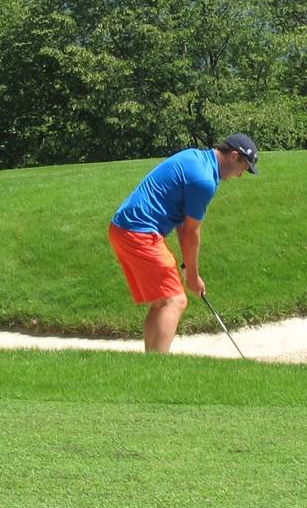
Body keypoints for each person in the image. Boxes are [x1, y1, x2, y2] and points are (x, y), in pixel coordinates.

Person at [108, 134, 259, 352]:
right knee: (175, 300)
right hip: (139, 232)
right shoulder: (205, 180)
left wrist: (189, 269)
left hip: (123, 228)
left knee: (162, 301)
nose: (242, 174)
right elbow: (191, 232)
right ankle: (158, 369)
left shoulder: (195, 156)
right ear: (234, 156)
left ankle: (149, 364)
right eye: (244, 167)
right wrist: (194, 278)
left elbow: (182, 224)